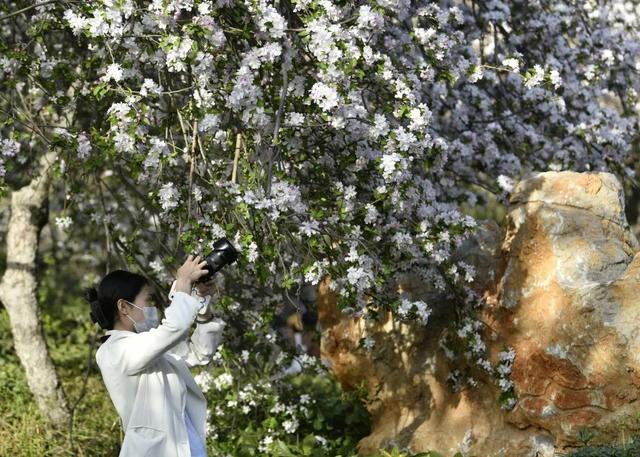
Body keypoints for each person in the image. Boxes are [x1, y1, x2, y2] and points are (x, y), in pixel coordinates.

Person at [87, 255, 225, 457]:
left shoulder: (146, 345)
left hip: (187, 446)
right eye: (147, 300)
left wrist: (201, 305)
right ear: (124, 307)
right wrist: (183, 282)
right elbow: (174, 327)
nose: (151, 308)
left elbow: (200, 353)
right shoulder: (113, 351)